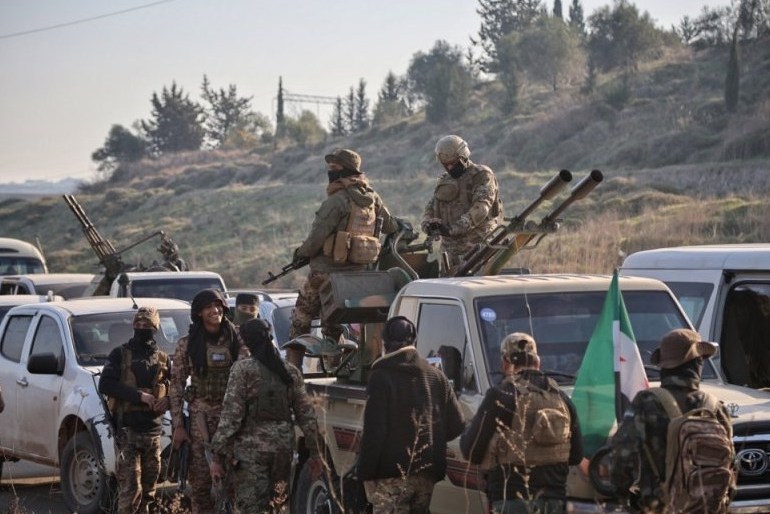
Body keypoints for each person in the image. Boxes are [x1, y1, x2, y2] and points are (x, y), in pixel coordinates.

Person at [287, 148, 398, 366]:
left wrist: (299, 255)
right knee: (333, 320)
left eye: (334, 168)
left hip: (325, 273)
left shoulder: (336, 201)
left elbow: (316, 238)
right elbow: (391, 226)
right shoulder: (372, 198)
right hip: (356, 274)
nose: (330, 172)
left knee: (300, 319)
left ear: (347, 170)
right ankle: (334, 364)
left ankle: (293, 369)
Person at [609, 328, 734, 514]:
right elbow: (730, 462)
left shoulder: (646, 403)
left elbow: (622, 456)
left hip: (658, 506)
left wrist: (621, 496)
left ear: (664, 366)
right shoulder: (715, 407)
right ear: (697, 363)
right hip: (707, 508)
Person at [460, 332, 584, 514]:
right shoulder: (562, 398)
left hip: (511, 499)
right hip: (554, 501)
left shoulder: (500, 396)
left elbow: (471, 451)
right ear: (538, 362)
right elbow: (576, 456)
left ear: (505, 363)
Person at [209, 318, 323, 513]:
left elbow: (231, 417)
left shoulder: (242, 370)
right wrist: (315, 453)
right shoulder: (290, 371)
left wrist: (217, 457)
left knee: (251, 508)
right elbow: (306, 416)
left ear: (248, 342)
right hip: (283, 450)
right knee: (278, 505)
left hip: (251, 453)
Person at [358, 316, 465, 513]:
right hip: (427, 474)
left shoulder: (381, 377)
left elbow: (374, 432)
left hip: (391, 475)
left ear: (385, 343)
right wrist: (432, 438)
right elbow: (457, 424)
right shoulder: (436, 376)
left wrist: (365, 473)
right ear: (414, 340)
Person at [168, 288, 249, 514]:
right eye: (208, 307)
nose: (215, 311)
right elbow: (176, 385)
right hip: (200, 422)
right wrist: (178, 425)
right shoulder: (187, 344)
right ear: (199, 313)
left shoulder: (237, 338)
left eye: (218, 306)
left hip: (232, 419)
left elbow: (248, 372)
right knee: (201, 485)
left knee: (234, 483)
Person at [99, 307, 170, 514]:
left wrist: (166, 401)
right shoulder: (119, 354)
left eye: (147, 325)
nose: (141, 328)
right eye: (138, 324)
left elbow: (174, 389)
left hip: (153, 433)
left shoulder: (163, 358)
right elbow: (106, 385)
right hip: (128, 432)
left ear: (155, 328)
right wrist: (139, 396)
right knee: (131, 491)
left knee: (149, 493)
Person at [421, 135, 503, 272]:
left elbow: (481, 208)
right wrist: (428, 225)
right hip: (449, 252)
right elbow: (431, 207)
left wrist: (454, 229)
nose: (450, 167)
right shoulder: (445, 180)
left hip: (477, 249)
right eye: (446, 165)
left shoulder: (481, 175)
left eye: (453, 163)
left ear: (463, 157)